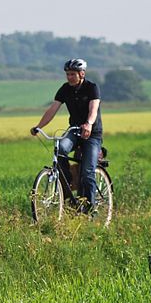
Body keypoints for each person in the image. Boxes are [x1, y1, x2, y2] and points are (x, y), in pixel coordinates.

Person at [30, 58, 102, 212]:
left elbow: (93, 109)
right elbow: (52, 109)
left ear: (81, 74)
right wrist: (38, 126)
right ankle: (67, 182)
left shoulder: (91, 88)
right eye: (67, 74)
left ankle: (90, 210)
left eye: (72, 74)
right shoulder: (65, 89)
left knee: (87, 172)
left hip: (92, 134)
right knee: (60, 149)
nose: (69, 77)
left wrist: (89, 124)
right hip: (74, 130)